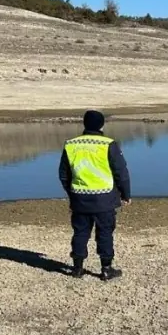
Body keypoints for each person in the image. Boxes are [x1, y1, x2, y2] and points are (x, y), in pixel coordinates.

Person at [59, 110, 131, 280]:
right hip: (104, 199)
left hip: (80, 198)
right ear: (102, 125)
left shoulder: (71, 144)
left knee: (80, 232)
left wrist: (71, 192)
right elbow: (121, 172)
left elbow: (63, 174)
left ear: (84, 123)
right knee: (105, 233)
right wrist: (126, 193)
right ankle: (106, 269)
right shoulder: (108, 144)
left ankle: (77, 268)